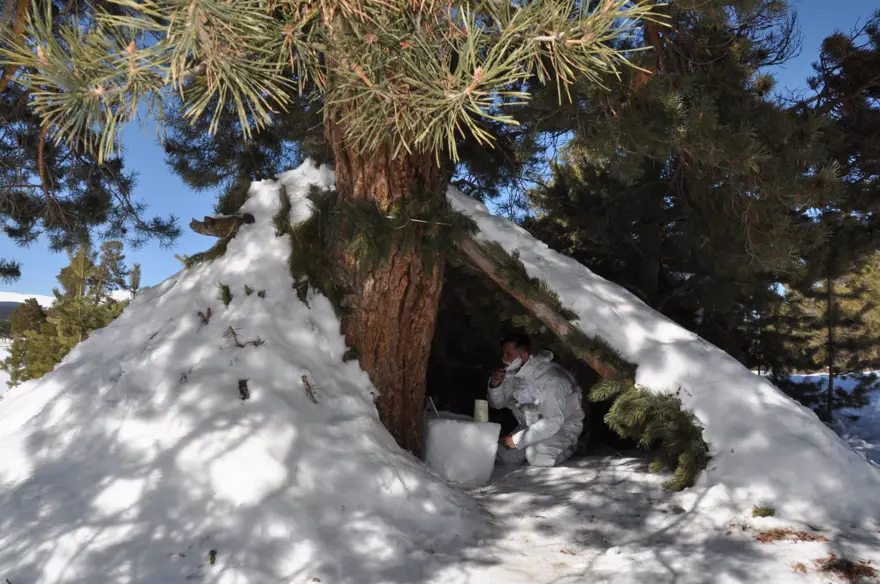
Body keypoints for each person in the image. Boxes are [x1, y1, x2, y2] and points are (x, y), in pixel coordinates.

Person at [488, 332, 584, 467]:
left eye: (508, 355)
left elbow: (553, 421)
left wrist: (517, 440)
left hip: (562, 428)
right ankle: (531, 449)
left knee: (538, 457)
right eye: (504, 354)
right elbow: (498, 404)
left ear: (524, 356)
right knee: (503, 455)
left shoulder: (551, 379)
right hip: (530, 427)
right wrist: (495, 386)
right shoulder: (514, 374)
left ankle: (570, 446)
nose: (504, 359)